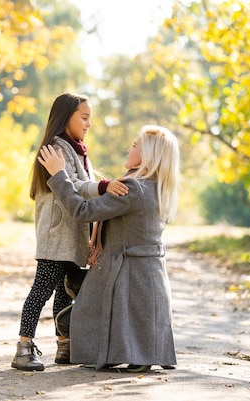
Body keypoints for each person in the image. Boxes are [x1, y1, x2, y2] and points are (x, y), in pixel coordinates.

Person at [37, 124, 180, 372]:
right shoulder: (156, 188)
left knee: (68, 320)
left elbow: (82, 211)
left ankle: (118, 352)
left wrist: (59, 175)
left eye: (134, 145)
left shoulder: (133, 188)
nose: (129, 149)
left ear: (147, 155)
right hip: (148, 280)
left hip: (124, 274)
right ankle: (131, 352)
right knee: (78, 293)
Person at [11, 93, 129, 372]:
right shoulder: (57, 147)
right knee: (42, 290)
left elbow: (81, 181)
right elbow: (74, 185)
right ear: (66, 117)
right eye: (84, 117)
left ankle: (64, 345)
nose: (88, 124)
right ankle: (24, 347)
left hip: (69, 235)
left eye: (90, 118)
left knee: (64, 294)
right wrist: (103, 186)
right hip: (57, 236)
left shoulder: (75, 149)